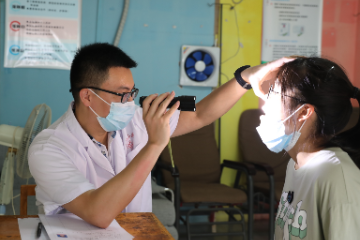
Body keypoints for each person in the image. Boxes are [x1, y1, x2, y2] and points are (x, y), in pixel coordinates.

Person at [28, 42, 290, 228]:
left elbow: (201, 114)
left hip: (137, 232)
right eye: (122, 94)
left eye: (133, 92)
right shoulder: (49, 148)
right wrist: (155, 144)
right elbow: (98, 213)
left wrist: (245, 78)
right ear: (87, 96)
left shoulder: (136, 119)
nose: (130, 102)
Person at [254, 57, 360, 240]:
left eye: (275, 93)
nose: (265, 103)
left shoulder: (334, 175)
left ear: (303, 112)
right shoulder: (296, 164)